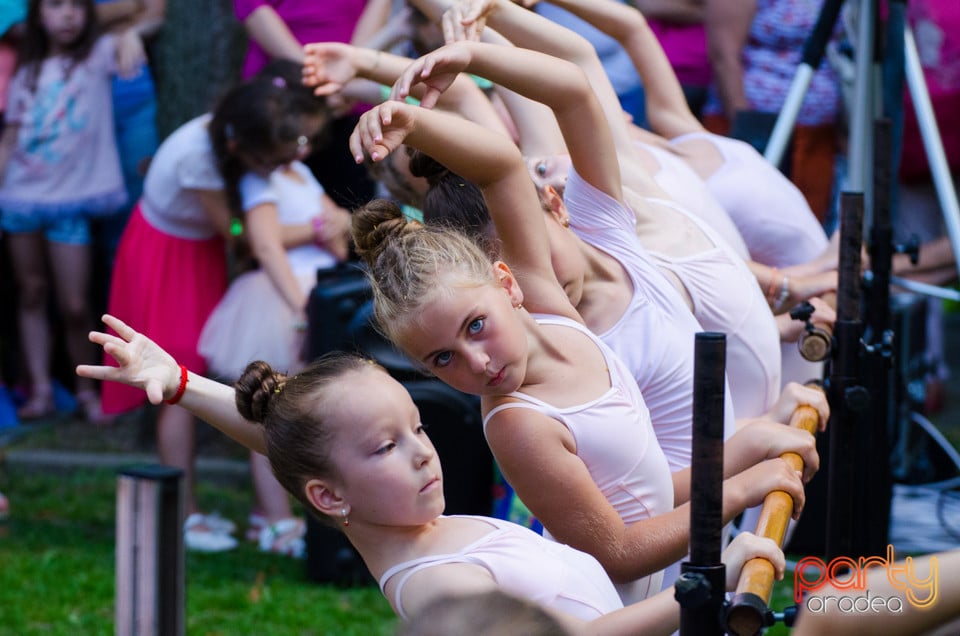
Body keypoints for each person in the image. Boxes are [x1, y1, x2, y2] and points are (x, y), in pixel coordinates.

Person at [77, 318, 787, 634]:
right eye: (388, 446)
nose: (423, 452)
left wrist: (181, 384)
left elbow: (298, 442)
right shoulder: (437, 581)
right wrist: (705, 581)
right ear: (330, 497)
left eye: (417, 429)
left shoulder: (415, 525)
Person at [100, 66, 329, 552]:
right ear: (239, 147)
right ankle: (183, 514)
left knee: (193, 370)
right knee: (176, 374)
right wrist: (273, 232)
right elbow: (237, 235)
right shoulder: (199, 159)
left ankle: (223, 510)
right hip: (166, 255)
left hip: (198, 251)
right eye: (269, 161)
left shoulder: (233, 139)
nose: (275, 168)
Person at [196, 66, 351, 555]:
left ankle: (291, 512)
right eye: (294, 138)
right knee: (272, 412)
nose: (303, 146)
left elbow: (338, 226)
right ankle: (275, 519)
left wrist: (339, 223)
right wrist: (299, 308)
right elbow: (264, 245)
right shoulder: (258, 181)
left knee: (308, 414)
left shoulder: (299, 172)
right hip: (283, 295)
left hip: (320, 285)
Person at [0, 0, 145, 422]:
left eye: (76, 7)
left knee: (77, 303)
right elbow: (9, 140)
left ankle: (85, 391)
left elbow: (141, 14)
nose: (67, 16)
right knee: (30, 292)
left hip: (73, 202)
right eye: (55, 6)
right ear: (38, 15)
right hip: (20, 198)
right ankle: (42, 390)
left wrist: (130, 32)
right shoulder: (25, 71)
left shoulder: (99, 56)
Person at [702, 0, 844, 225]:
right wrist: (749, 138)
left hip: (816, 135)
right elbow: (724, 55)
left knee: (805, 227)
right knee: (753, 222)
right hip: (758, 129)